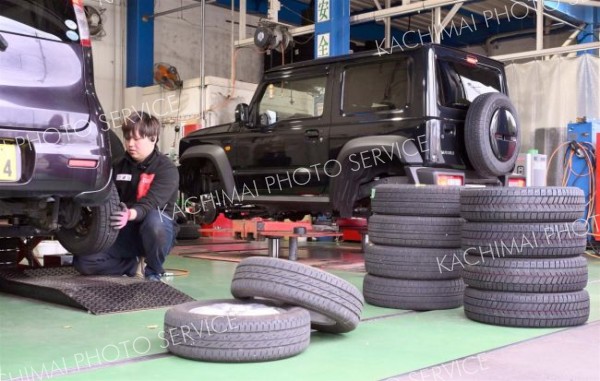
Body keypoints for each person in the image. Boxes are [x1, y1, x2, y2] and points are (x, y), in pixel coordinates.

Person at [74, 112, 179, 281]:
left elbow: (150, 204)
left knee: (155, 221)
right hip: (126, 230)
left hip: (156, 230)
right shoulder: (117, 166)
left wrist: (129, 214)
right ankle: (134, 265)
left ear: (153, 138)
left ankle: (153, 270)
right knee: (84, 262)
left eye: (136, 139)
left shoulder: (166, 169)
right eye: (127, 138)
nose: (130, 144)